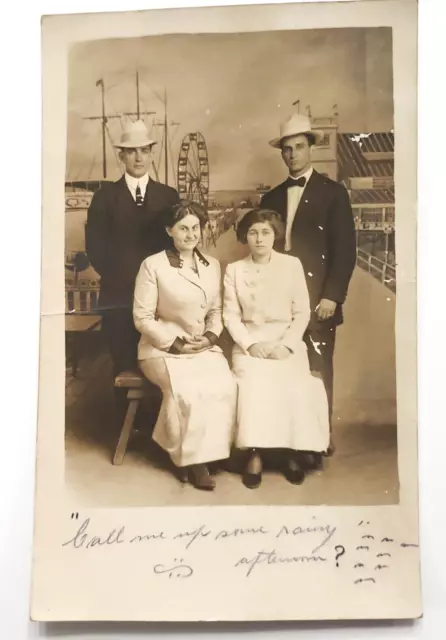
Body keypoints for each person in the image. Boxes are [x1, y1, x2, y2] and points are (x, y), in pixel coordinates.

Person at [260, 114, 356, 457]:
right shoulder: (271, 198)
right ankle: (283, 439)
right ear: (281, 154)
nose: (293, 155)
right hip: (277, 300)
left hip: (318, 299)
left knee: (317, 368)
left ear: (310, 148)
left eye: (299, 147)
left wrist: (332, 296)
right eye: (286, 149)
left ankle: (319, 437)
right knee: (279, 366)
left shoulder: (333, 194)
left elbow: (345, 251)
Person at [133, 201, 237, 491]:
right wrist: (175, 344)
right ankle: (191, 461)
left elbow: (216, 312)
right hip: (161, 349)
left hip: (201, 346)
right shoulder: (153, 265)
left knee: (225, 386)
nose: (191, 234)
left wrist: (210, 337)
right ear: (169, 231)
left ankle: (214, 452)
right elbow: (141, 318)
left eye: (195, 228)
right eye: (183, 228)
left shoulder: (212, 265)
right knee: (189, 390)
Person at [223, 208, 330, 489]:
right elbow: (230, 315)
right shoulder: (234, 270)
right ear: (245, 237)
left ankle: (289, 453)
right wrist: (251, 344)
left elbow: (302, 313)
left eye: (266, 232)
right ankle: (255, 454)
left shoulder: (291, 265)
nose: (259, 238)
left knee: (293, 384)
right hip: (250, 343)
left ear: (276, 235)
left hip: (287, 341)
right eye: (253, 232)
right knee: (253, 385)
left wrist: (287, 345)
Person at [85, 119, 180, 380]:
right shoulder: (104, 197)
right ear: (122, 156)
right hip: (118, 296)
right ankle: (125, 422)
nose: (139, 157)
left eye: (144, 150)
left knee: (161, 363)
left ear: (151, 153)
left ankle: (155, 421)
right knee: (123, 365)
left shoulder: (168, 196)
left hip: (161, 298)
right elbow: (95, 248)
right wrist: (123, 277)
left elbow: (177, 246)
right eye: (132, 151)